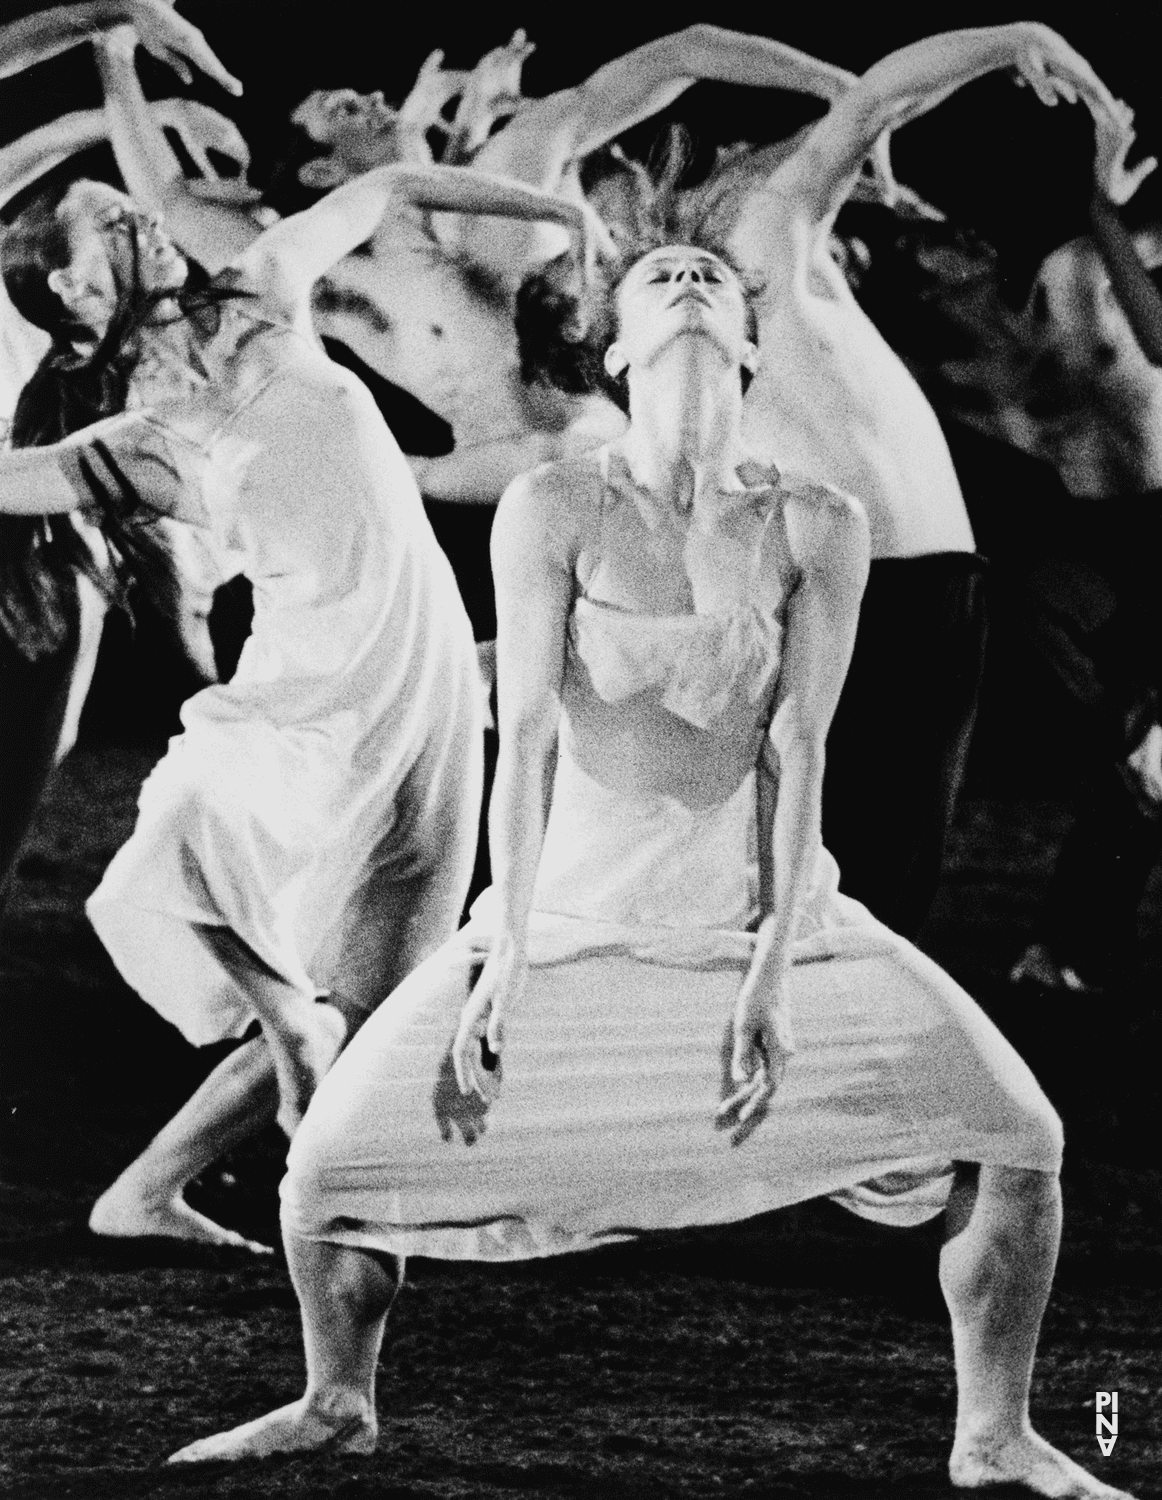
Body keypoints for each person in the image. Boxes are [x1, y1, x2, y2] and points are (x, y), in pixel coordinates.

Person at [162, 211, 1128, 1495]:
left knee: (1021, 1141)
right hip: (564, 920)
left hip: (765, 916)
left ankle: (992, 1435)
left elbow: (800, 754)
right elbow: (535, 749)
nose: (683, 283)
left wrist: (776, 964)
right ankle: (337, 1402)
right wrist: (500, 948)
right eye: (659, 278)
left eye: (708, 279)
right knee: (325, 1172)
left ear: (742, 341)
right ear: (615, 348)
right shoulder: (553, 503)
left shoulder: (818, 521)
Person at [0, 142, 606, 1249]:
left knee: (379, 991)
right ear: (81, 295)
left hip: (419, 666)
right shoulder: (132, 444)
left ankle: (146, 1190)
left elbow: (390, 186)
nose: (145, 227)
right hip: (310, 677)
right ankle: (283, 1019)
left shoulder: (266, 291)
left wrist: (551, 202)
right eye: (113, 228)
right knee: (189, 833)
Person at [94, 22, 859, 509]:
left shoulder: (512, 174)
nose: (370, 95)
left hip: (650, 456)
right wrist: (116, 47)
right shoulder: (349, 279)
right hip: (512, 492)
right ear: (325, 173)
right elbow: (169, 202)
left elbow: (682, 49)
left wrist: (845, 94)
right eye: (344, 111)